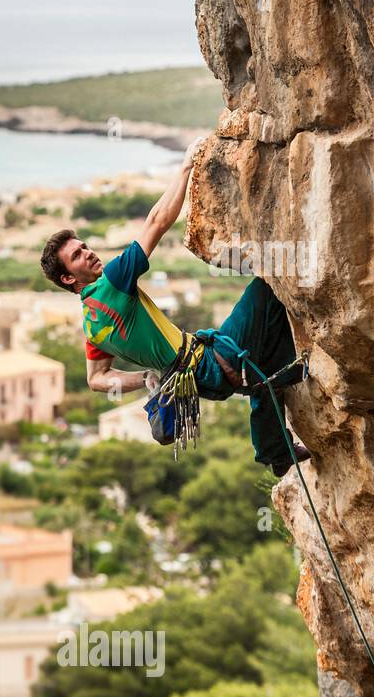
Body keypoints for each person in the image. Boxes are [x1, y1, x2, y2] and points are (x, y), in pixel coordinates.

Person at [39, 136, 310, 476]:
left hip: (200, 380)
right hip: (208, 364)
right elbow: (155, 223)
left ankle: (276, 449)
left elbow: (97, 379)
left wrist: (147, 378)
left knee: (261, 367)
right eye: (77, 255)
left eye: (85, 246)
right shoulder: (112, 283)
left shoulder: (92, 326)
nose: (89, 252)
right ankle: (279, 421)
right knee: (266, 287)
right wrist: (185, 168)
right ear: (67, 278)